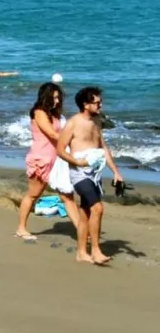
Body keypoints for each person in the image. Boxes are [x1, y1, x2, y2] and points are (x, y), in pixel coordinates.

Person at [57, 86, 124, 265]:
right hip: (79, 173)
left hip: (94, 172)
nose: (100, 105)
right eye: (97, 102)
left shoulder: (97, 120)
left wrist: (116, 172)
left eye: (101, 102)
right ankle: (95, 250)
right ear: (86, 105)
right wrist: (77, 162)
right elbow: (60, 150)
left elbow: (103, 148)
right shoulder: (73, 123)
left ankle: (81, 252)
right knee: (98, 208)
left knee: (85, 212)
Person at [17, 82, 76, 242]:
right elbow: (53, 134)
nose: (57, 101)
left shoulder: (56, 115)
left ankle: (82, 230)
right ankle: (21, 228)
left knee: (67, 196)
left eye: (59, 98)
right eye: (54, 98)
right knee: (33, 195)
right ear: (45, 97)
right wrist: (74, 140)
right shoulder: (39, 112)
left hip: (57, 160)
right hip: (41, 159)